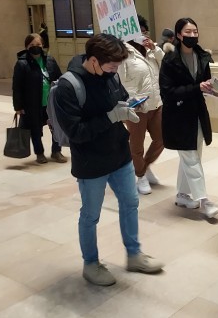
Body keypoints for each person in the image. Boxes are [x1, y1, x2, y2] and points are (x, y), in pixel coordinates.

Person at [54, 33, 164, 286]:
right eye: (112, 65)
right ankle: (90, 263)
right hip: (91, 163)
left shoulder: (111, 74)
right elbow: (76, 133)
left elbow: (119, 99)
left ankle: (134, 254)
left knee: (130, 203)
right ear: (93, 60)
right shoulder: (69, 87)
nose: (116, 70)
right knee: (91, 215)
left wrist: (129, 106)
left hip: (119, 154)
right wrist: (111, 117)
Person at [159, 17, 218, 219]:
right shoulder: (169, 60)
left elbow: (205, 83)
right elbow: (167, 92)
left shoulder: (202, 56)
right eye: (188, 32)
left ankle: (183, 195)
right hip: (178, 117)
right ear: (178, 35)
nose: (192, 35)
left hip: (197, 114)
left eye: (195, 31)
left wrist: (210, 88)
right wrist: (197, 88)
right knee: (192, 159)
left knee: (193, 156)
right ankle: (204, 201)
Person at [119, 17, 165, 195]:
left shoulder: (151, 49)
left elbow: (167, 64)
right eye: (140, 30)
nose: (144, 33)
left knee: (162, 138)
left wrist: (155, 49)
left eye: (145, 30)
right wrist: (130, 101)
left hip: (156, 103)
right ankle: (141, 175)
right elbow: (120, 80)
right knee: (136, 145)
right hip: (137, 106)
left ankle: (143, 167)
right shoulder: (123, 52)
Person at [12, 33, 67, 164]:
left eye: (38, 45)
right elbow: (17, 86)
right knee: (35, 130)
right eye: (32, 45)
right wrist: (18, 107)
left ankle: (56, 151)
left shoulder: (50, 60)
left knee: (56, 127)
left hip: (51, 103)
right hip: (32, 104)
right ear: (26, 46)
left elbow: (60, 80)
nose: (35, 47)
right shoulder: (22, 64)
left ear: (43, 45)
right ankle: (40, 153)